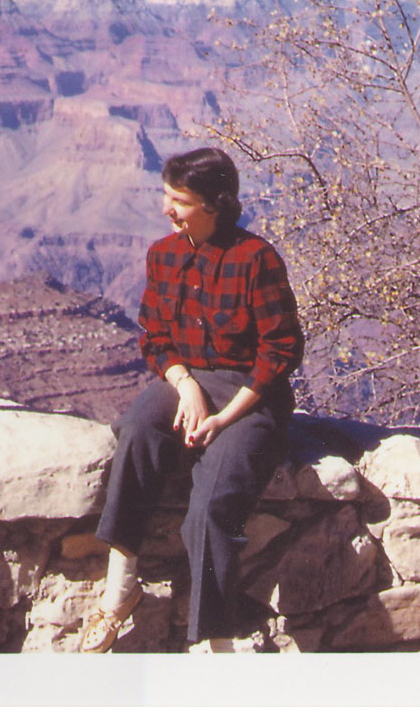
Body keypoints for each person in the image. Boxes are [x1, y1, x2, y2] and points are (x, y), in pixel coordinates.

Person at [81, 147, 304, 653]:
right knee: (137, 430)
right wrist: (185, 385)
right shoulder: (164, 255)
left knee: (212, 507)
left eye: (178, 200)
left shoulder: (257, 259)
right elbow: (155, 336)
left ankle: (216, 646)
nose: (167, 209)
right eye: (167, 195)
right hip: (190, 381)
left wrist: (223, 416)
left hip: (251, 396)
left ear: (215, 205)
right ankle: (120, 587)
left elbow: (282, 349)